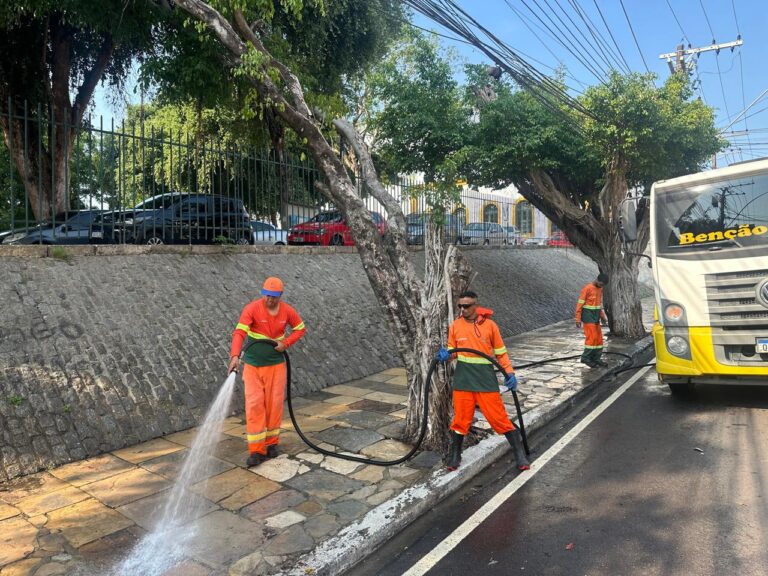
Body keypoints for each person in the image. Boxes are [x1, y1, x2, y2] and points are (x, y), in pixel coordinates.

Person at [437, 290, 530, 472]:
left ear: (476, 306)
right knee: (461, 419)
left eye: (467, 306)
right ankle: (455, 454)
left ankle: (519, 453)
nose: (463, 309)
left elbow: (501, 353)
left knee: (498, 418)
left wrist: (509, 373)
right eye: (460, 306)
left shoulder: (490, 326)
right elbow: (452, 353)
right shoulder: (455, 326)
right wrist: (445, 355)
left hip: (485, 379)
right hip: (463, 379)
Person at [228, 277, 306, 467]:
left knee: (274, 406)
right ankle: (256, 450)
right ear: (263, 294)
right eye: (267, 296)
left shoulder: (287, 311)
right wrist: (235, 355)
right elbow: (239, 333)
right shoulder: (252, 309)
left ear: (280, 296)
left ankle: (271, 444)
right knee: (255, 405)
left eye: (273, 297)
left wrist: (285, 343)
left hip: (276, 366)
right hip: (253, 366)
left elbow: (300, 329)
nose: (269, 300)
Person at [575, 273, 609, 368]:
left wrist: (602, 316)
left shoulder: (600, 289)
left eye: (603, 285)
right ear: (597, 280)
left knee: (598, 339)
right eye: (601, 284)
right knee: (592, 338)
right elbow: (580, 304)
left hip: (596, 316)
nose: (601, 286)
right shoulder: (587, 288)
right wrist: (577, 318)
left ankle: (596, 358)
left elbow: (599, 304)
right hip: (588, 316)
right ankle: (586, 358)